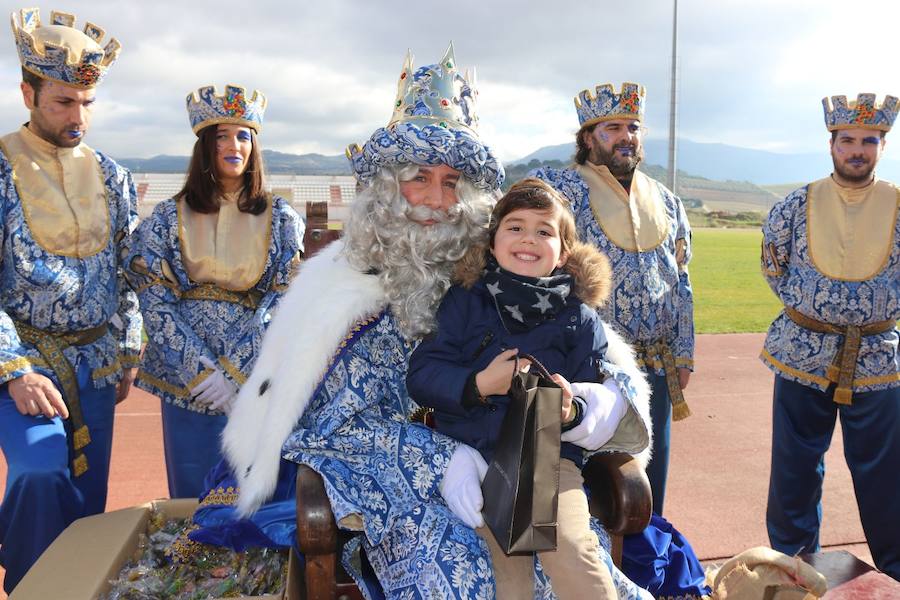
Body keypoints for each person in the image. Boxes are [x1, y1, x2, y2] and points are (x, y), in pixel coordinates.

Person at [186, 46, 653, 599]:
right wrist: (441, 459)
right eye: (419, 179)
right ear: (386, 187)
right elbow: (332, 429)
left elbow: (603, 373)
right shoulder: (341, 289)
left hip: (532, 476)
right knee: (467, 582)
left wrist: (592, 405)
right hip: (402, 493)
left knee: (569, 572)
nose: (436, 200)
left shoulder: (508, 282)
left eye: (453, 182)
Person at [406, 178, 651, 598]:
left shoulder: (579, 319)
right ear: (493, 240)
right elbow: (423, 374)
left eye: (544, 231)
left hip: (548, 462)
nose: (528, 239)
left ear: (564, 251)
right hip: (479, 458)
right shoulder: (466, 301)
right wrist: (479, 383)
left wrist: (572, 411)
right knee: (509, 578)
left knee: (573, 551)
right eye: (515, 227)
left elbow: (590, 393)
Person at [0, 9, 141, 593]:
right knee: (38, 472)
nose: (77, 117)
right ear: (28, 92)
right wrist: (13, 371)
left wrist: (130, 344)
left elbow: (131, 270)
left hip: (98, 364)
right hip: (27, 365)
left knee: (89, 503)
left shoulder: (112, 174)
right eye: (62, 103)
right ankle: (33, 587)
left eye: (86, 103)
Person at [126, 85, 303, 499]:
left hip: (255, 376)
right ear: (204, 146)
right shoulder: (167, 217)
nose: (233, 145)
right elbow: (155, 301)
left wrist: (235, 372)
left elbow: (282, 302)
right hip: (186, 381)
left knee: (253, 490)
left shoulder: (281, 220)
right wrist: (201, 370)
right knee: (192, 495)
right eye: (221, 136)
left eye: (243, 136)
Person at [533, 82, 694, 515]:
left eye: (634, 127)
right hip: (587, 359)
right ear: (588, 138)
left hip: (657, 363)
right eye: (613, 127)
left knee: (645, 473)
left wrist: (684, 355)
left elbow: (681, 280)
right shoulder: (560, 190)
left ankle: (646, 561)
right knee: (587, 477)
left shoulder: (667, 200)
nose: (627, 136)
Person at [760, 92, 900, 580]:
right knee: (795, 470)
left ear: (882, 145)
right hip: (802, 353)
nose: (857, 150)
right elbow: (774, 266)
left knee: (886, 474)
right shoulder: (795, 205)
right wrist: (819, 311)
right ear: (831, 143)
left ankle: (895, 573)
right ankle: (796, 570)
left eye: (869, 140)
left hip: (880, 361)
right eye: (847, 140)